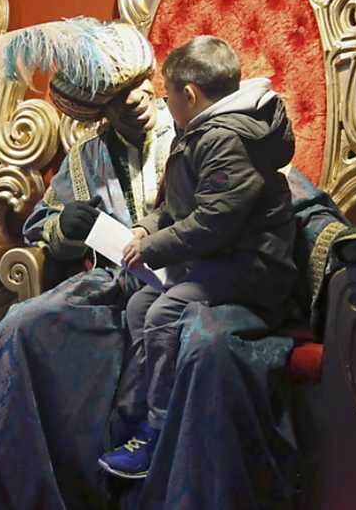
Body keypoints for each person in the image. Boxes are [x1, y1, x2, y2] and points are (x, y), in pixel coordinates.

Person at [0, 17, 356, 509]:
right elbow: (42, 226)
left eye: (140, 85)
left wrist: (348, 243)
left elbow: (291, 203)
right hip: (117, 286)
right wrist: (65, 226)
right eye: (118, 98)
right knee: (23, 324)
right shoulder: (86, 159)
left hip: (205, 283)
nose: (136, 99)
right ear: (99, 111)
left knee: (204, 342)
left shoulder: (206, 127)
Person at [100, 36, 298, 478]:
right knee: (140, 305)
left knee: (163, 312)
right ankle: (141, 408)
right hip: (220, 261)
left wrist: (150, 248)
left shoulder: (227, 138)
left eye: (167, 94)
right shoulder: (202, 130)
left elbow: (214, 222)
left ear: (189, 94)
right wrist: (146, 227)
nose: (164, 102)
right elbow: (179, 205)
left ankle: (158, 430)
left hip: (254, 267)